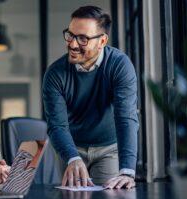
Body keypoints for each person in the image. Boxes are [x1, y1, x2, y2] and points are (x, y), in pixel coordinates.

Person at [42, 6, 139, 189]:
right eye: (70, 35)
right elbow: (57, 125)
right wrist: (72, 157)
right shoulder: (55, 74)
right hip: (72, 146)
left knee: (110, 197)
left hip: (108, 148)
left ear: (102, 41)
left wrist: (127, 171)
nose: (72, 44)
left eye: (83, 38)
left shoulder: (120, 65)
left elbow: (126, 118)